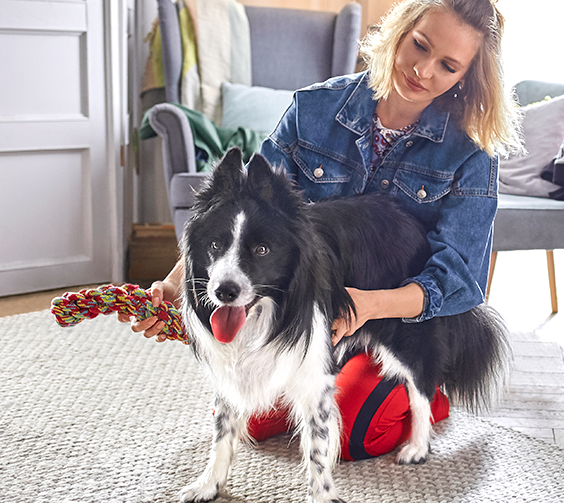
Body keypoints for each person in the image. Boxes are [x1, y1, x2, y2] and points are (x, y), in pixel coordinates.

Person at [122, 0, 521, 461]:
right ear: (401, 29)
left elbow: (461, 278)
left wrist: (368, 306)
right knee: (247, 414)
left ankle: (430, 388)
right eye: (419, 45)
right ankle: (340, 368)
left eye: (448, 66)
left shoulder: (472, 152)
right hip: (312, 315)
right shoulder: (314, 108)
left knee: (354, 433)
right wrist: (175, 285)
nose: (422, 69)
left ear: (465, 77)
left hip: (395, 322)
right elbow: (240, 210)